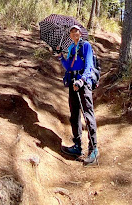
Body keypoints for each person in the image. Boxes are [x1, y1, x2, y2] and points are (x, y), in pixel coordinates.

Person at [59, 24, 99, 165]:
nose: (74, 33)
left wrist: (82, 80)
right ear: (70, 35)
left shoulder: (86, 46)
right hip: (72, 83)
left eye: (76, 31)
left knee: (88, 115)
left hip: (83, 83)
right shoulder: (71, 48)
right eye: (72, 31)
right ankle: (77, 146)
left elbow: (89, 65)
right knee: (74, 114)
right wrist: (61, 57)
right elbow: (69, 66)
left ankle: (93, 149)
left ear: (81, 33)